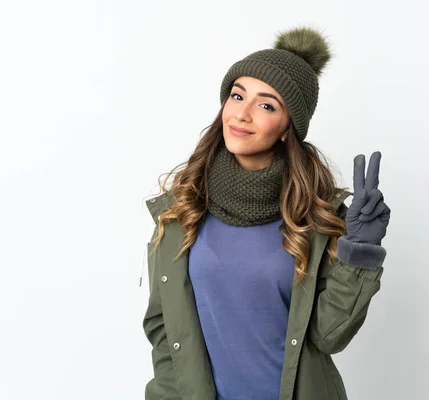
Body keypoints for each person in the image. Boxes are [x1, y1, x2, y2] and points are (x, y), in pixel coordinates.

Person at [142, 26, 391, 400]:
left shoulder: (315, 218)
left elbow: (328, 336)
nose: (241, 114)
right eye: (237, 95)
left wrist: (359, 252)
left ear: (288, 128)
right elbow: (164, 326)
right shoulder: (182, 210)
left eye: (266, 105)